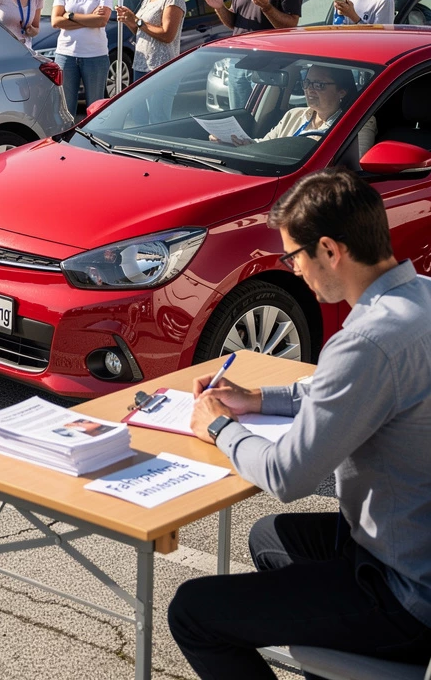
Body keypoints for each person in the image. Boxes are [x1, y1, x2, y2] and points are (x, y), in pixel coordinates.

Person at [169, 167, 431, 679]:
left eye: (294, 256)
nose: (295, 271)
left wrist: (220, 426)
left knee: (193, 613)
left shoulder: (365, 341)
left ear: (330, 250)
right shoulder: (419, 298)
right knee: (271, 539)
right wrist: (255, 399)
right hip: (412, 540)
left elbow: (289, 477)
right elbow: (335, 390)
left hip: (403, 592)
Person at [200, 0, 302, 108]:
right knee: (237, 116)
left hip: (267, 64)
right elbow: (234, 23)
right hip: (237, 62)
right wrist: (219, 7)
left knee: (261, 120)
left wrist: (267, 8)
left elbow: (290, 25)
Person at [211, 64, 377, 156]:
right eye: (307, 83)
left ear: (342, 91)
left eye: (319, 85)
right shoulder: (294, 115)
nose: (310, 90)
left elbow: (355, 166)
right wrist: (237, 143)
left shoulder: (358, 123)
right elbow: (265, 144)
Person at [51, 0, 113, 115]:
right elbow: (55, 21)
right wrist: (89, 18)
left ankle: (91, 142)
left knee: (95, 108)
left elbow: (102, 20)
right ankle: (67, 141)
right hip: (66, 55)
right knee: (65, 109)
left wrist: (70, 15)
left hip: (95, 55)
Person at [114, 0, 186, 82]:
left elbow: (167, 35)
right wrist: (128, 20)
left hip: (161, 68)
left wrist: (137, 20)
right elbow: (141, 32)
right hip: (141, 65)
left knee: (159, 104)